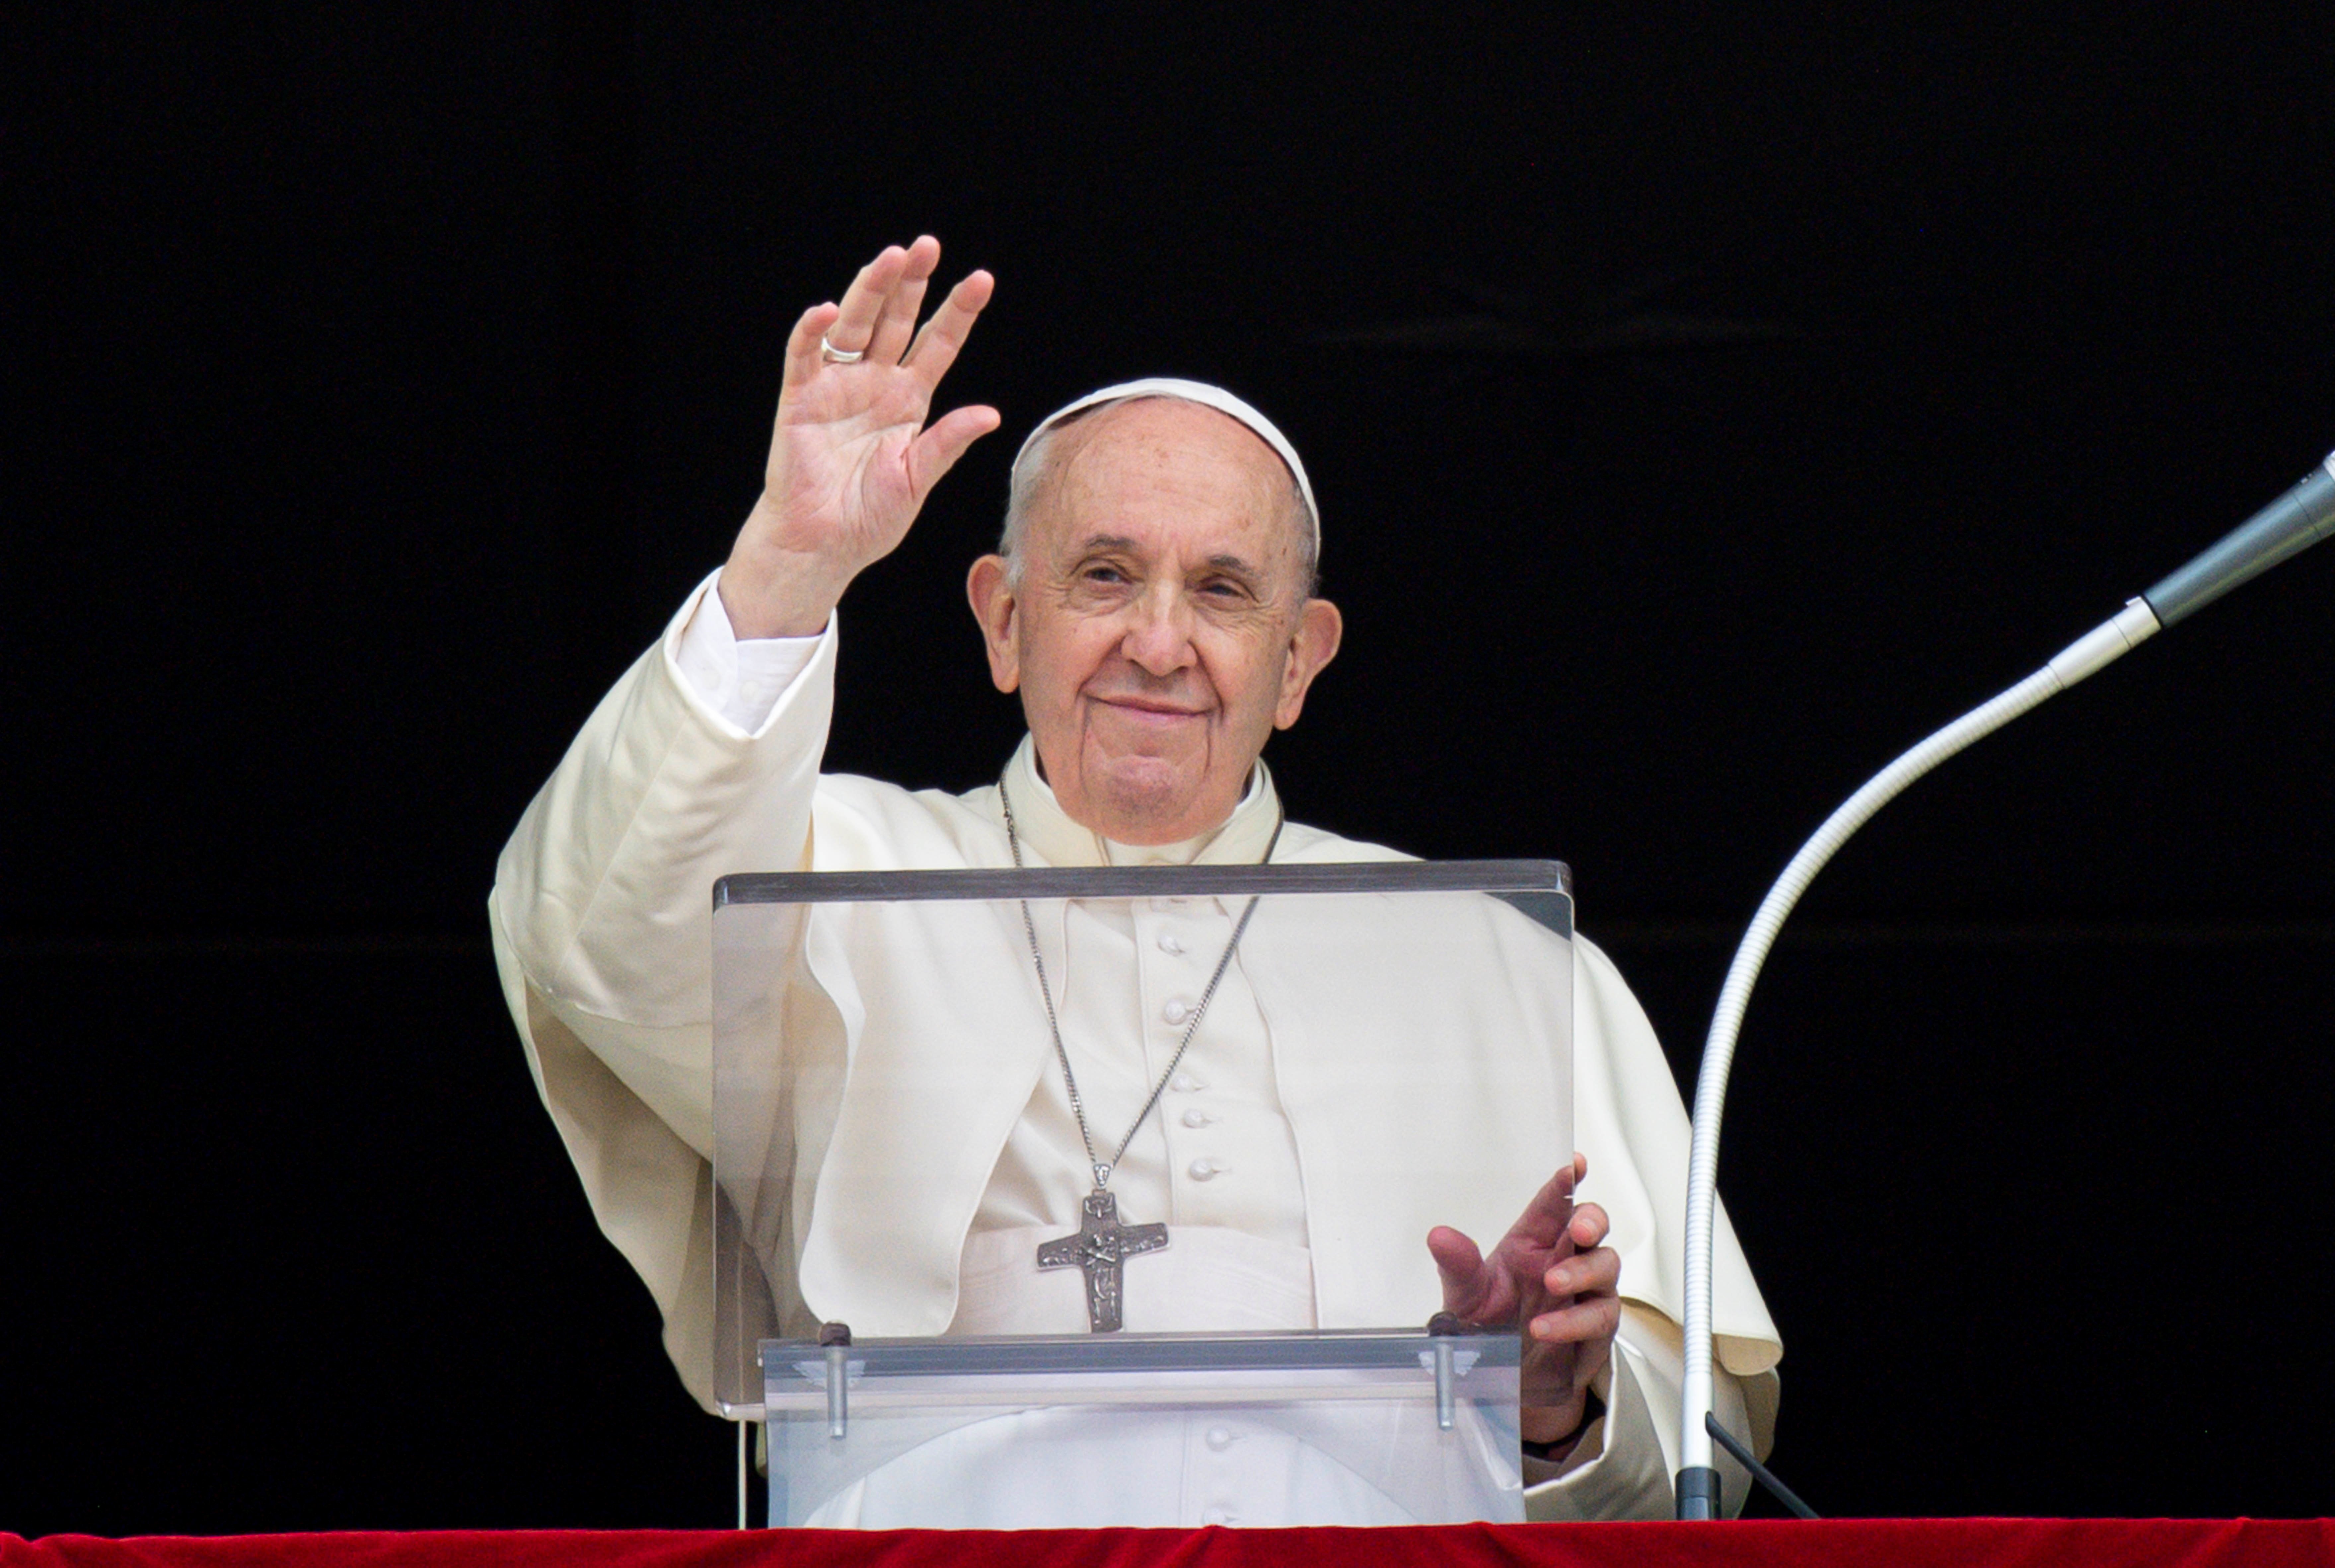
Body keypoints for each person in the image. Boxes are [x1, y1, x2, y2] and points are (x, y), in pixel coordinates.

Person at [490, 236, 1781, 1522]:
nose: (1156, 644)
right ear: (1002, 618)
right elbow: (598, 935)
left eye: (1220, 591)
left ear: (1295, 663)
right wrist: (785, 568)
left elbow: (1688, 1464)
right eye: (1103, 576)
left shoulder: (1500, 963)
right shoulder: (832, 874)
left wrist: (1557, 1407)